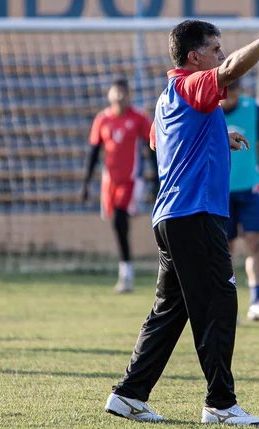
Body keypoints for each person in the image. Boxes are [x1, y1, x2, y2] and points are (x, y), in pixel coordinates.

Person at [104, 6, 259, 425]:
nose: (219, 54)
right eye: (214, 48)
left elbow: (164, 144)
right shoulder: (194, 84)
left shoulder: (165, 98)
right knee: (218, 304)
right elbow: (230, 70)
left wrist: (217, 134)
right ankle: (220, 403)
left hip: (172, 216)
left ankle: (129, 394)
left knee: (170, 310)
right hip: (195, 214)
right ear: (194, 57)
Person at [81, 79, 151, 293]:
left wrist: (157, 178)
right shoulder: (102, 119)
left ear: (128, 94)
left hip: (131, 180)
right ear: (109, 95)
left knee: (120, 219)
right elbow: (94, 151)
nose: (119, 96)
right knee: (118, 224)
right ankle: (126, 272)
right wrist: (86, 183)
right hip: (109, 180)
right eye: (116, 92)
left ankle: (126, 275)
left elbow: (152, 147)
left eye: (123, 92)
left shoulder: (138, 117)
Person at [220, 79, 259, 321]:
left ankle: (257, 302)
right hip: (221, 192)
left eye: (234, 91)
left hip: (250, 188)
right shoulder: (210, 111)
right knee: (225, 251)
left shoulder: (252, 107)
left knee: (255, 243)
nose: (230, 97)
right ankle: (229, 305)